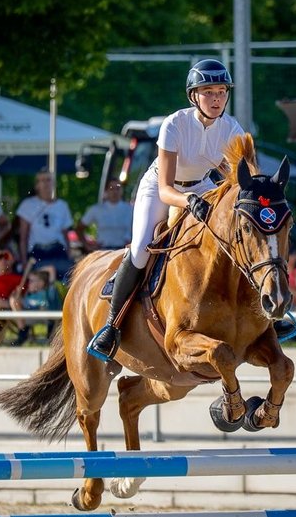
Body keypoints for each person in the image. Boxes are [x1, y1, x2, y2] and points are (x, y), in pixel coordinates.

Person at [86, 58, 246, 362]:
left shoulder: (232, 128)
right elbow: (166, 189)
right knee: (141, 250)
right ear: (193, 96)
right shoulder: (175, 124)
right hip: (162, 188)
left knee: (236, 238)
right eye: (208, 92)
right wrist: (189, 201)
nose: (216, 99)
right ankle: (112, 326)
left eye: (222, 92)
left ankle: (265, 314)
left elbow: (239, 175)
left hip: (202, 185)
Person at [15, 170, 75, 285]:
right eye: (42, 180)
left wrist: (69, 255)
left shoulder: (62, 206)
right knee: (39, 286)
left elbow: (65, 235)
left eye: (48, 180)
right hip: (37, 252)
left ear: (53, 183)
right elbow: (23, 237)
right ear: (37, 185)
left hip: (58, 251)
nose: (46, 183)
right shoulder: (28, 205)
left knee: (63, 285)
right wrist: (24, 261)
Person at [77, 180, 133, 251]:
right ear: (106, 191)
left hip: (123, 251)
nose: (115, 192)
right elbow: (79, 228)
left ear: (122, 190)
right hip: (103, 250)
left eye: (118, 188)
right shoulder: (97, 209)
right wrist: (87, 246)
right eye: (111, 188)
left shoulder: (130, 209)